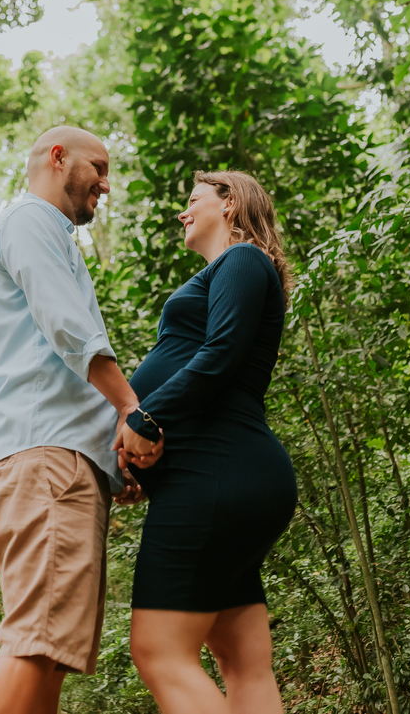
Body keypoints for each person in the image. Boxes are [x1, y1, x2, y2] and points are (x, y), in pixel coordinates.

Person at [0, 125, 159, 714]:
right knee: (35, 642)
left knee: (51, 651)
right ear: (58, 158)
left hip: (56, 460)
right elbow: (68, 329)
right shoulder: (31, 222)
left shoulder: (48, 234)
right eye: (98, 168)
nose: (105, 183)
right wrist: (131, 409)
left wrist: (111, 459)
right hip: (43, 459)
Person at [116, 170, 298, 714]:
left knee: (158, 650)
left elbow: (218, 356)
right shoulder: (232, 270)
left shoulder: (241, 260)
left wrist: (143, 419)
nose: (182, 211)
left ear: (232, 204)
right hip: (225, 475)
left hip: (216, 475)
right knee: (243, 660)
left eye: (193, 200)